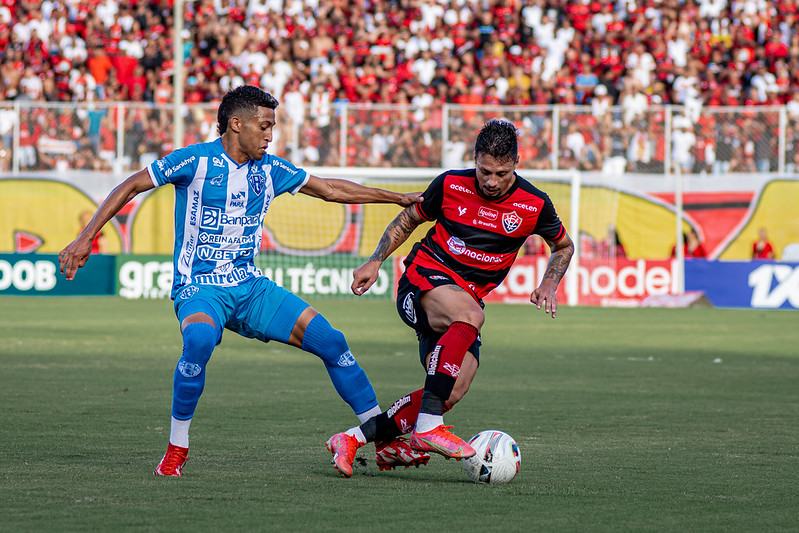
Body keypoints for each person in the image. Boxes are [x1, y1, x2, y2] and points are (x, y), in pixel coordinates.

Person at [58, 86, 427, 477]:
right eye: (264, 126)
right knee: (198, 342)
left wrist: (397, 198)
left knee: (332, 341)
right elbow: (132, 184)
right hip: (200, 288)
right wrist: (86, 237)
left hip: (250, 289)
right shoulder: (195, 161)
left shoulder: (271, 170)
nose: (271, 136)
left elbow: (331, 189)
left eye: (273, 127)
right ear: (237, 124)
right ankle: (176, 449)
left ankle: (384, 441)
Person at [325, 119, 574, 477]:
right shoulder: (450, 184)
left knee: (452, 389)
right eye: (485, 170)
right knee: (471, 316)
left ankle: (350, 439)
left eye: (501, 173)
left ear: (516, 165)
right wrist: (376, 260)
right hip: (422, 281)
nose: (490, 181)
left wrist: (550, 283)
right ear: (474, 159)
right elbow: (409, 219)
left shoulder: (534, 204)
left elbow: (563, 246)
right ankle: (427, 426)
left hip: (461, 304)